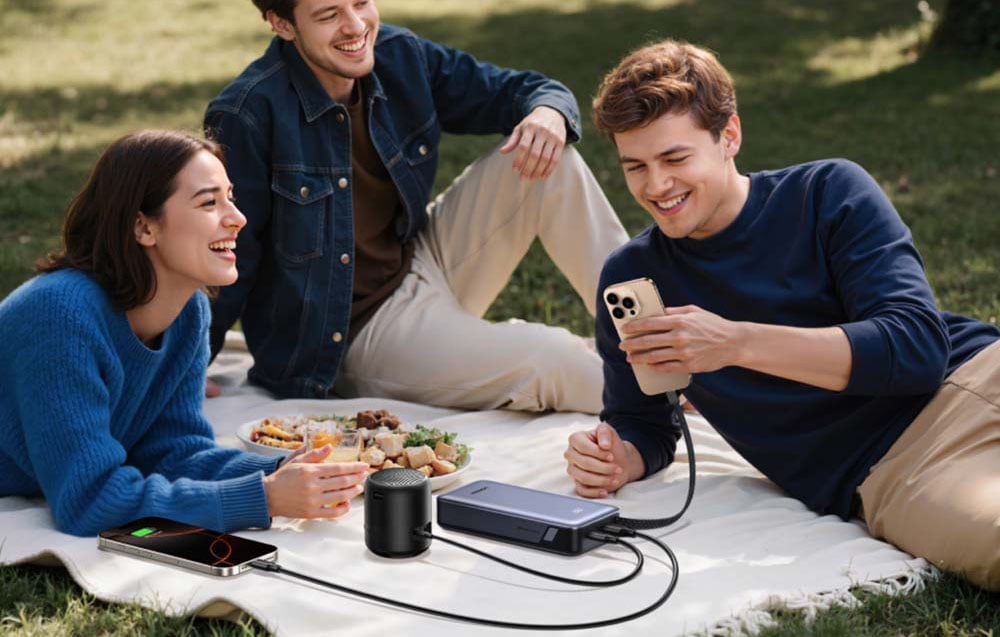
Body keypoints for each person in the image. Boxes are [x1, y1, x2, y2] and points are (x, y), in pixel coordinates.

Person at [563, 40, 1000, 589]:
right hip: (894, 469)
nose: (656, 186)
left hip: (980, 371)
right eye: (636, 167)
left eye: (675, 159)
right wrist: (617, 458)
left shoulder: (827, 192)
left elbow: (915, 350)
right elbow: (642, 423)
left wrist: (736, 344)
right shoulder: (633, 278)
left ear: (730, 137)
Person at [203, 0, 628, 412]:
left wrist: (550, 112)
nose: (355, 26)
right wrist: (187, 364)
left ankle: (652, 339)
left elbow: (522, 90)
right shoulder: (247, 114)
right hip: (354, 333)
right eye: (329, 14)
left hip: (420, 258)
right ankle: (655, 400)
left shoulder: (399, 55)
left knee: (550, 160)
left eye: (361, 2)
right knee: (550, 359)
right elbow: (224, 252)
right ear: (282, 24)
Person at [0, 131, 368, 537]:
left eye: (231, 197)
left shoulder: (188, 309)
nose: (237, 217)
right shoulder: (58, 316)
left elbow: (172, 452)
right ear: (144, 227)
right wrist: (264, 498)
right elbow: (90, 500)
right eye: (209, 203)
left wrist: (285, 469)